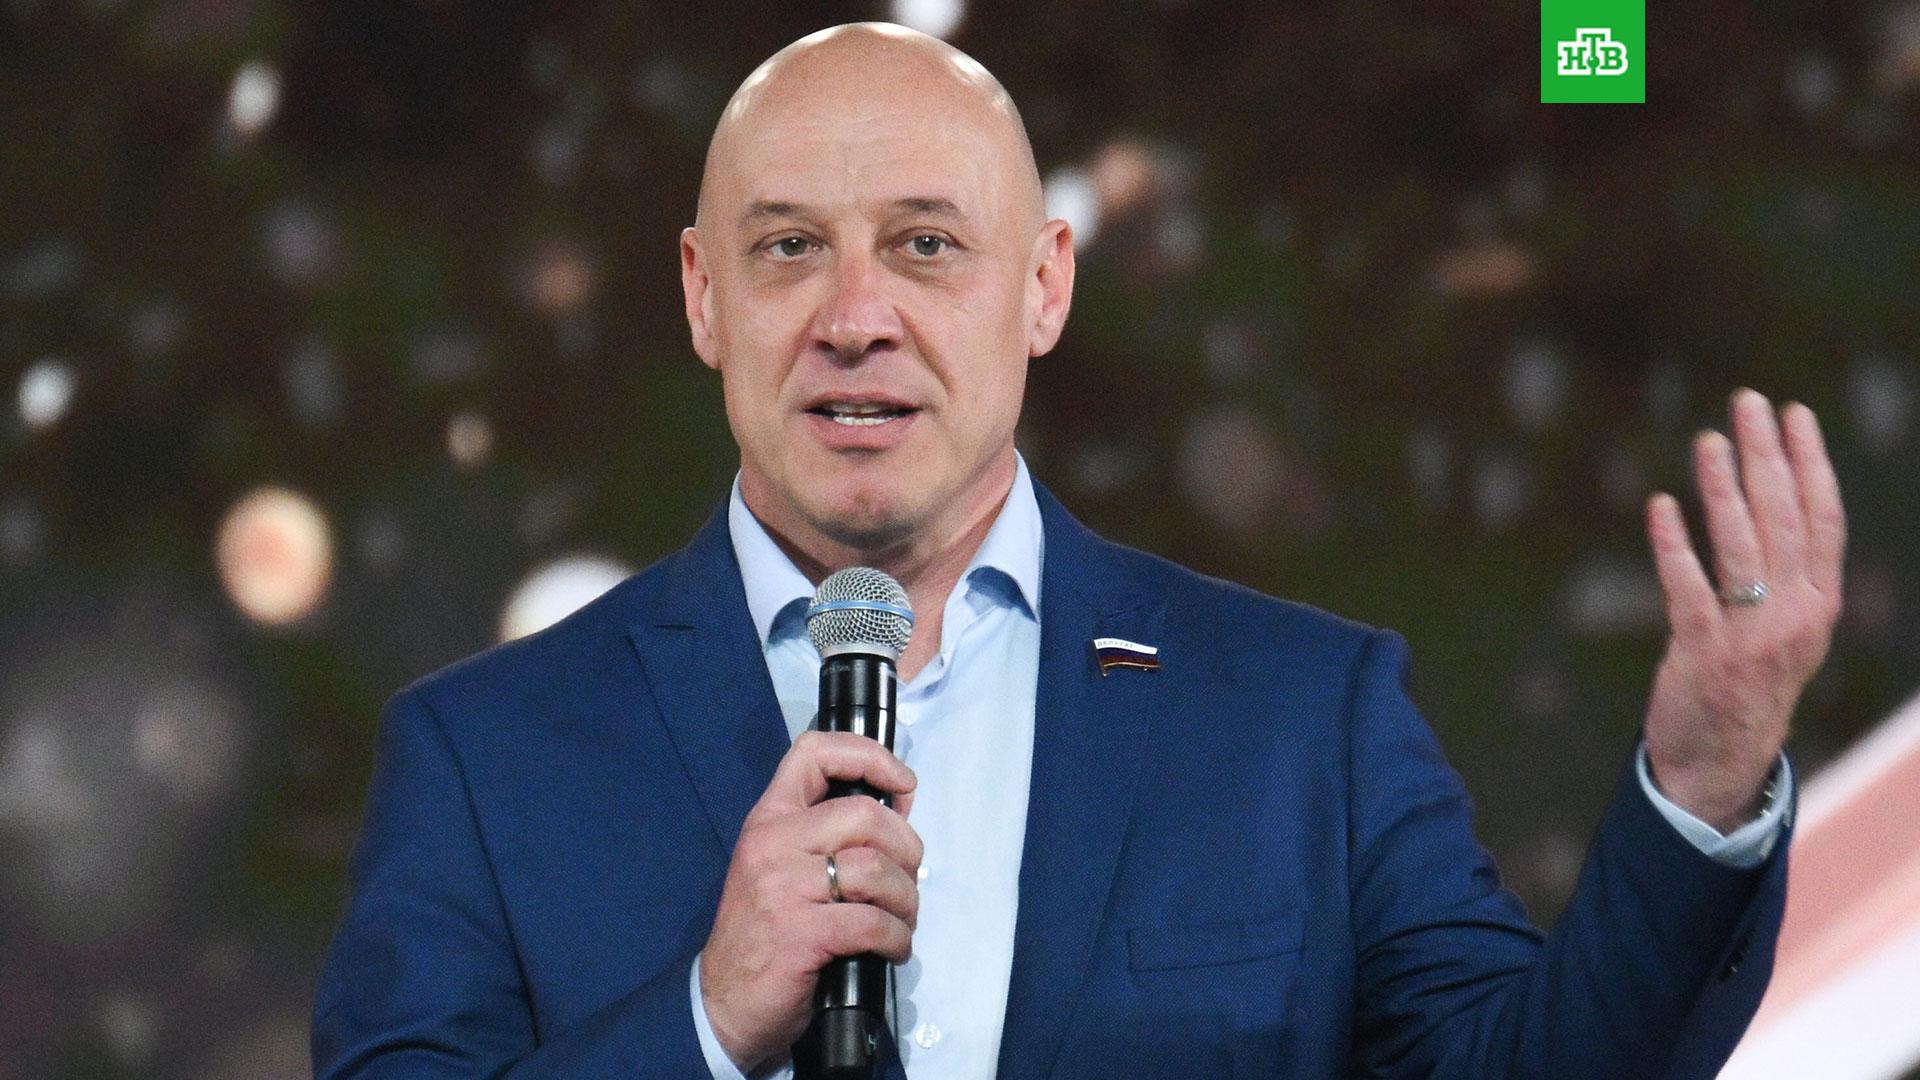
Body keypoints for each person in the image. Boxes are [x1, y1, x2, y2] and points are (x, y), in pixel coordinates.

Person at [311, 22, 1846, 1080]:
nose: (857, 317)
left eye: (926, 244)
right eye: (789, 248)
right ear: (704, 296)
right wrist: (705, 1027)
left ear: (1043, 287)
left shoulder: (1298, 719)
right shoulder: (483, 757)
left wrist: (1704, 787)